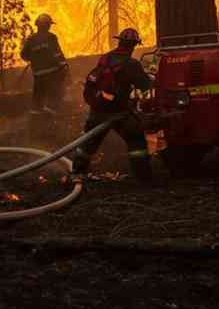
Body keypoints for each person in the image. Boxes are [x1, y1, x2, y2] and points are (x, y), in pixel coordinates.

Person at [70, 28, 154, 182]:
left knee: (88, 143)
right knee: (136, 141)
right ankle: (143, 176)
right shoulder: (131, 64)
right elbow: (144, 85)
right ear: (133, 45)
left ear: (120, 41)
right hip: (119, 112)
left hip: (98, 110)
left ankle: (77, 172)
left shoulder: (105, 58)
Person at [20, 13, 68, 115]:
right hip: (52, 73)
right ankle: (52, 114)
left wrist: (34, 60)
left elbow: (23, 55)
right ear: (46, 25)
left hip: (38, 74)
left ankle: (36, 116)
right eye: (49, 24)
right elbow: (57, 53)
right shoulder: (51, 37)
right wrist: (64, 65)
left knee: (38, 96)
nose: (50, 26)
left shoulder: (31, 39)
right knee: (54, 95)